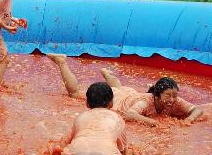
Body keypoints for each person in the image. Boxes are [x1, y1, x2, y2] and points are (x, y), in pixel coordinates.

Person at [47, 54, 203, 126]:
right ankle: (62, 62)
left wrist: (189, 119)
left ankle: (107, 74)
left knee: (119, 88)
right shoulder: (145, 102)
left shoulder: (174, 101)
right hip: (120, 98)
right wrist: (153, 123)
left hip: (129, 94)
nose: (173, 99)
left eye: (175, 95)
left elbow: (197, 110)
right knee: (74, 95)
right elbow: (130, 114)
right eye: (168, 95)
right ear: (156, 96)